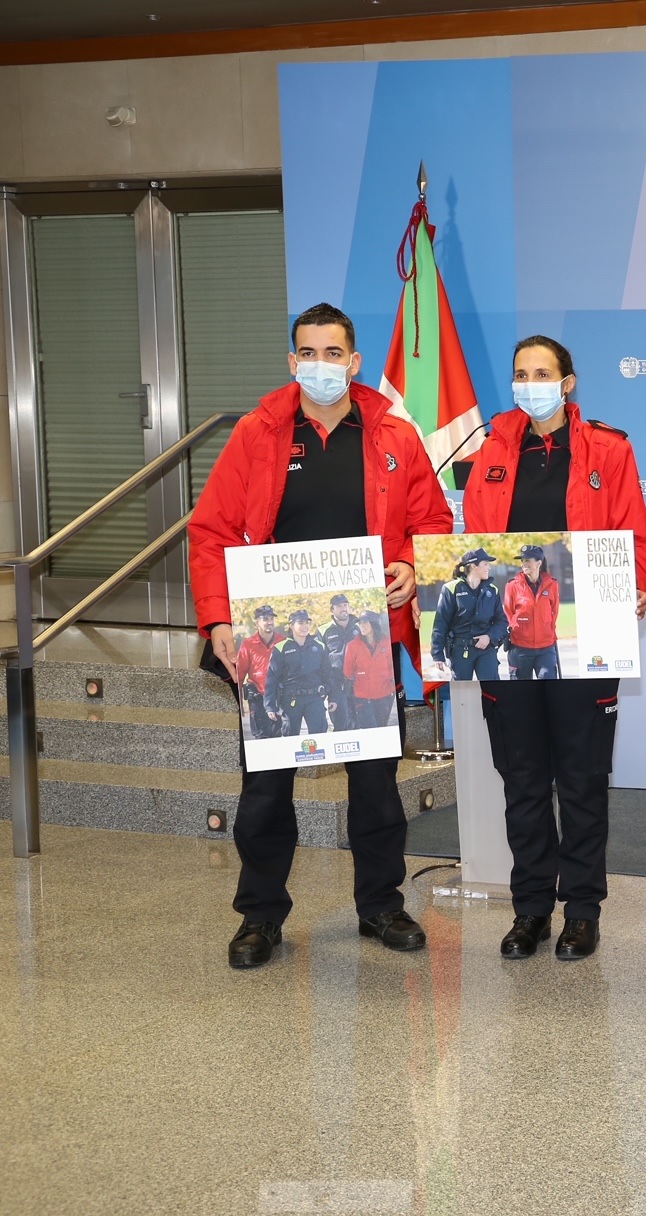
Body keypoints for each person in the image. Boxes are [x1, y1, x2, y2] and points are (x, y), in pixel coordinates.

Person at [190, 301, 451, 970]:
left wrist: (409, 566)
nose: (320, 365)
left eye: (333, 354)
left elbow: (433, 522)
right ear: (291, 361)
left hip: (365, 642)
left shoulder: (394, 434)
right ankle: (259, 915)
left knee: (376, 787)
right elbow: (211, 531)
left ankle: (381, 905)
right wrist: (218, 618)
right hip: (275, 647)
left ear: (354, 361)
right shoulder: (257, 433)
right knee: (265, 793)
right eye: (307, 353)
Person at [461, 334, 646, 962]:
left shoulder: (608, 448)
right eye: (521, 373)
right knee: (522, 782)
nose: (530, 384)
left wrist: (635, 587)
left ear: (567, 383)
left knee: (581, 782)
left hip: (585, 639)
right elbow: (474, 545)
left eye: (543, 373)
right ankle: (530, 911)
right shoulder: (491, 450)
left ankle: (581, 911)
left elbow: (637, 537)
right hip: (510, 647)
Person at [430, 548, 508, 679]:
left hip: (486, 650)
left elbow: (502, 621)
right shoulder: (451, 589)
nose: (489, 567)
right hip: (460, 650)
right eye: (485, 564)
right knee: (462, 690)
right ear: (473, 566)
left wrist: (489, 636)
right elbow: (441, 623)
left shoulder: (492, 591)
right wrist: (437, 654)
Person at [265, 609, 334, 735]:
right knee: (290, 736)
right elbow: (272, 678)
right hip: (290, 699)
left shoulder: (319, 646)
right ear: (291, 626)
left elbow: (328, 674)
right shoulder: (281, 648)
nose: (305, 626)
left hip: (315, 698)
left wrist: (333, 697)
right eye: (300, 623)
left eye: (307, 623)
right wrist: (270, 706)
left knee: (319, 735)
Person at [504, 544, 561, 680]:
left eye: (527, 560)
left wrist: (548, 632)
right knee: (522, 690)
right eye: (522, 560)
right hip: (520, 648)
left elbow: (554, 612)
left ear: (539, 563)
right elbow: (508, 613)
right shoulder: (512, 586)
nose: (523, 564)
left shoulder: (552, 584)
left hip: (546, 648)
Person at [235, 604, 282, 740]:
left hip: (278, 696)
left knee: (278, 736)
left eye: (271, 619)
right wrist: (238, 702)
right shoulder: (248, 644)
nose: (269, 622)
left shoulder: (283, 641)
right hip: (257, 697)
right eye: (265, 619)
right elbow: (239, 674)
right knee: (261, 737)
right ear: (257, 623)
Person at [343, 611, 396, 729]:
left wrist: (391, 682)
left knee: (382, 728)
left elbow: (392, 666)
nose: (361, 626)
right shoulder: (352, 645)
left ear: (374, 623)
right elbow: (348, 671)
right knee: (369, 729)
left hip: (384, 694)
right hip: (362, 696)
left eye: (365, 622)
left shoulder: (387, 642)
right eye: (360, 623)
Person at [318, 593, 359, 729]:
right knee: (341, 723)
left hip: (359, 682)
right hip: (336, 683)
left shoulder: (360, 626)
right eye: (339, 606)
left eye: (345, 605)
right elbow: (319, 659)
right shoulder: (323, 630)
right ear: (332, 609)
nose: (343, 609)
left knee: (361, 722)